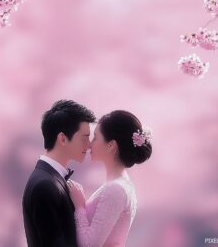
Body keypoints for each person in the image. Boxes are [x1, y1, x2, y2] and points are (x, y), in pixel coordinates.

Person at [68, 110, 153, 247]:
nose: (90, 144)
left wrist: (79, 206)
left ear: (111, 145)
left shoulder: (116, 189)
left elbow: (89, 244)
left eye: (95, 138)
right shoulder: (119, 185)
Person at [22, 99, 96, 247]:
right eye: (85, 137)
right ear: (62, 139)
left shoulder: (50, 179)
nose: (89, 145)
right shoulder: (45, 185)